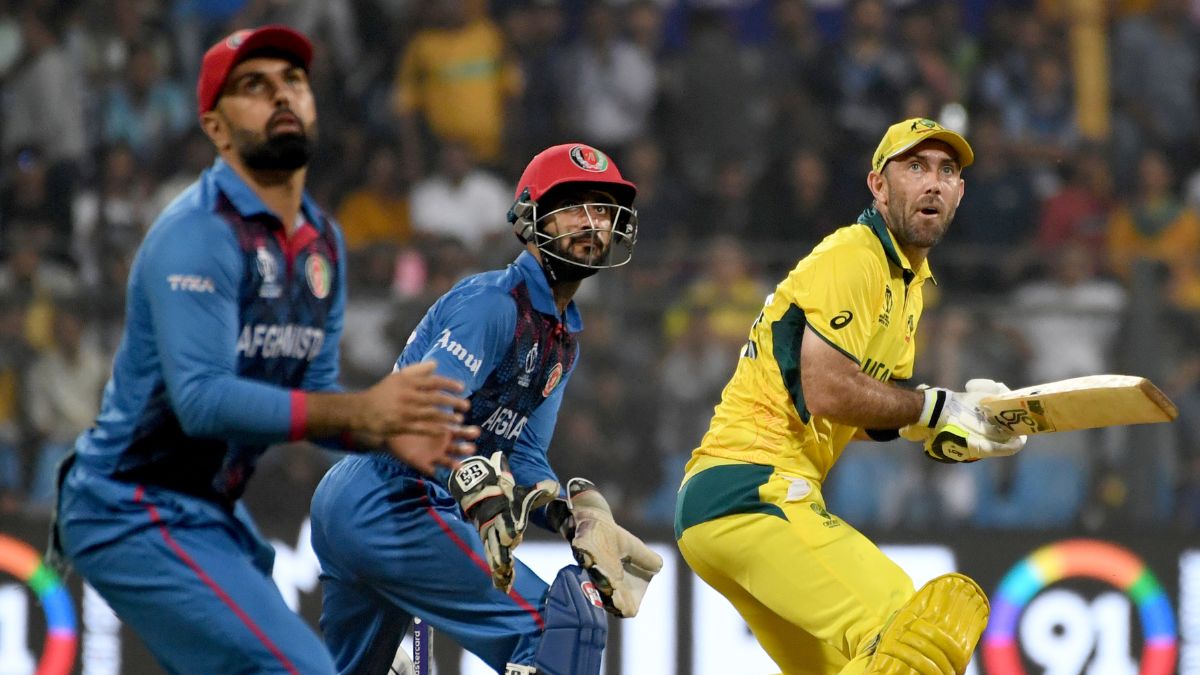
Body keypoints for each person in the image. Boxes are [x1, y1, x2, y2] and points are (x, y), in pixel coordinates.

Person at [49, 26, 477, 675]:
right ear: (216, 129)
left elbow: (317, 393)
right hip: (130, 504)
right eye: (254, 85)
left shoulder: (322, 242)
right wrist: (362, 411)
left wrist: (386, 435)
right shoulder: (196, 234)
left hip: (208, 511)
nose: (281, 95)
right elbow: (201, 401)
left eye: (293, 81)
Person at [674, 118, 1027, 675]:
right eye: (915, 167)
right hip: (754, 490)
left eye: (946, 171)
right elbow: (828, 390)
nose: (932, 182)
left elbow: (852, 410)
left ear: (960, 193)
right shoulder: (854, 256)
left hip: (735, 500)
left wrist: (939, 425)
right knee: (909, 627)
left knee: (853, 663)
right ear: (878, 186)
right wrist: (935, 408)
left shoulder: (908, 286)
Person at [309, 143, 664, 675]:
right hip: (395, 497)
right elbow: (418, 415)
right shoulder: (494, 304)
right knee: (560, 627)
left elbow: (522, 454)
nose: (592, 222)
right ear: (531, 219)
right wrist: (474, 481)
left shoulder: (562, 339)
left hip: (372, 503)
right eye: (573, 207)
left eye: (603, 209)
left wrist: (568, 519)